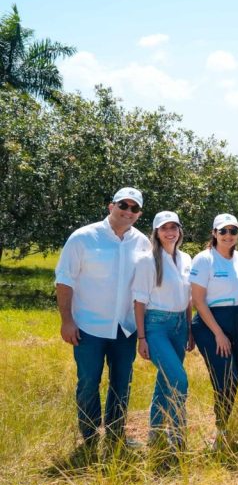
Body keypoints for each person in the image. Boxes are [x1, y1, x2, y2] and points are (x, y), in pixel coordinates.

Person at [55, 187, 151, 450]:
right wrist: (66, 320)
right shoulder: (83, 237)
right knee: (88, 382)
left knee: (122, 383)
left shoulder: (142, 242)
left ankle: (115, 434)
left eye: (134, 208)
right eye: (123, 205)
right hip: (88, 327)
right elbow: (64, 280)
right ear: (111, 206)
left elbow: (144, 287)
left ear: (139, 213)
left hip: (125, 327)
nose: (127, 211)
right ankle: (89, 438)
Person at [190, 213, 238, 449]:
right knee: (223, 376)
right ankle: (219, 432)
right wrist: (218, 333)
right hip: (212, 322)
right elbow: (198, 301)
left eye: (233, 231)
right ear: (214, 233)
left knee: (235, 377)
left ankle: (224, 428)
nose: (228, 235)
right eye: (223, 231)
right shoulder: (203, 259)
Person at [131, 210, 193, 451]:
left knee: (165, 381)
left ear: (179, 231)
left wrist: (189, 329)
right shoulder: (147, 261)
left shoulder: (186, 258)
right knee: (178, 379)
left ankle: (155, 434)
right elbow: (139, 301)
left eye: (174, 227)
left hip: (179, 325)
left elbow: (188, 298)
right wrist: (142, 337)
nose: (170, 232)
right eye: (164, 228)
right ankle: (177, 435)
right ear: (156, 232)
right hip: (156, 326)